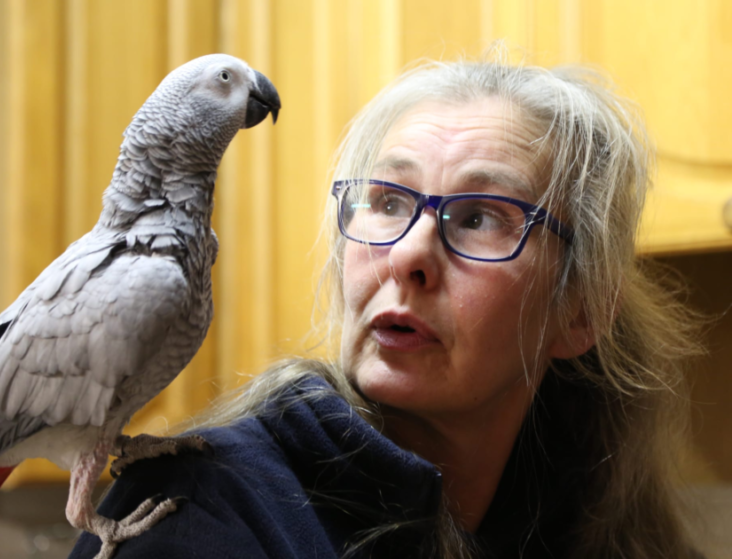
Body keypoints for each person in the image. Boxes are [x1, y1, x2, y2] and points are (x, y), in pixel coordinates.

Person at [71, 55, 702, 559]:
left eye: (480, 217)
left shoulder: (605, 528)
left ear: (582, 312)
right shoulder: (195, 519)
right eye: (389, 202)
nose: (408, 256)